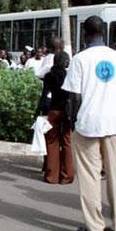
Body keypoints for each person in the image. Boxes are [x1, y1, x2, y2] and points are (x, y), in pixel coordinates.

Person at [63, 15, 116, 231]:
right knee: (115, 174)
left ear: (85, 33)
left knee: (90, 177)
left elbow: (74, 97)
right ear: (103, 32)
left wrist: (72, 121)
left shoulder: (80, 59)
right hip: (114, 122)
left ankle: (95, 228)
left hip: (87, 124)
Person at [39, 52, 73, 184]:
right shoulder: (68, 75)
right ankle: (67, 176)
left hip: (53, 111)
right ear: (64, 62)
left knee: (52, 143)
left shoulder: (49, 75)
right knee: (67, 142)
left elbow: (44, 95)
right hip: (66, 112)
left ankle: (52, 176)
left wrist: (39, 111)